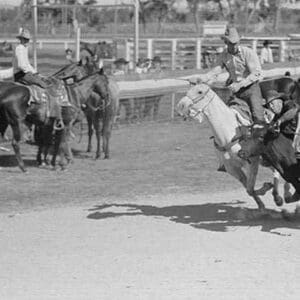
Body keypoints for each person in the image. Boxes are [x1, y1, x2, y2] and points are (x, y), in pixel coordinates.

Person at [190, 26, 265, 127]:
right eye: (231, 43)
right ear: (226, 42)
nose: (233, 46)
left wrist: (240, 84)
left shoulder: (248, 52)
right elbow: (214, 72)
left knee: (258, 119)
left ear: (239, 42)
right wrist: (200, 79)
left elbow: (257, 73)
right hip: (235, 92)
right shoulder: (223, 55)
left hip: (251, 89)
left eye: (235, 43)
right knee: (225, 117)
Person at [263, 90, 300, 157]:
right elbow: (270, 128)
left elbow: (294, 111)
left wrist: (280, 120)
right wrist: (272, 129)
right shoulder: (276, 117)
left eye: (272, 103)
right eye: (269, 105)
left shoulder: (288, 104)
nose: (271, 107)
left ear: (280, 101)